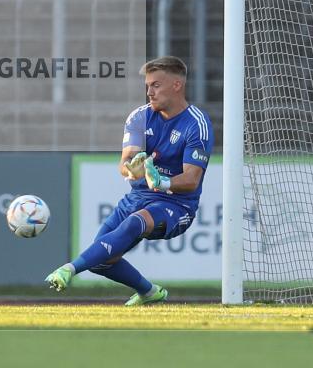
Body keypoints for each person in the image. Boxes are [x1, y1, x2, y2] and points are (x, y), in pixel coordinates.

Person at [45, 56, 213, 305]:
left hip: (177, 205)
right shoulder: (139, 117)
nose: (149, 92)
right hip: (137, 197)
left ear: (177, 85)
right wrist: (131, 170)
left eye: (156, 85)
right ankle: (149, 292)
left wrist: (162, 182)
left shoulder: (196, 124)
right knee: (101, 259)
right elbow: (126, 161)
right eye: (147, 86)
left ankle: (69, 269)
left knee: (137, 222)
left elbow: (191, 179)